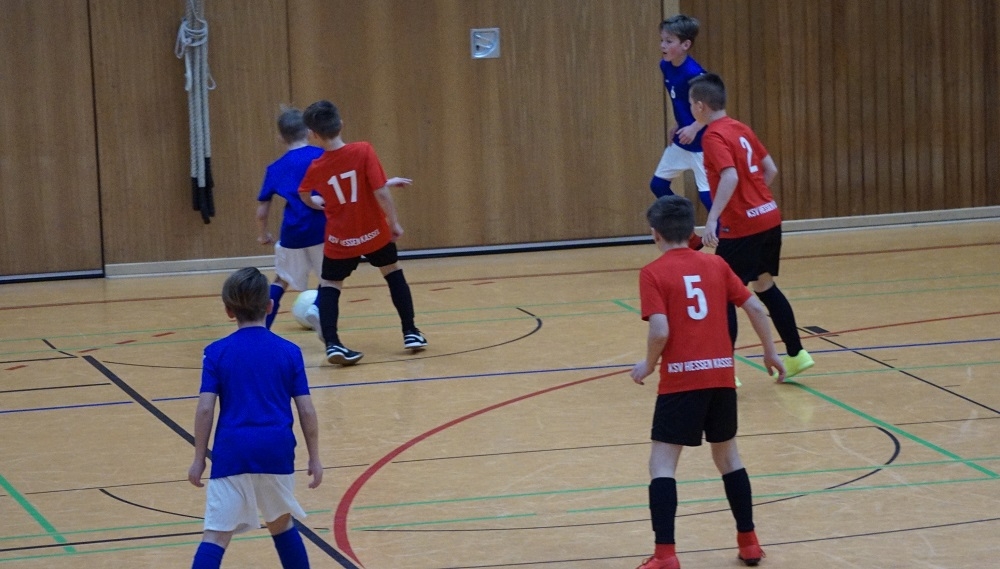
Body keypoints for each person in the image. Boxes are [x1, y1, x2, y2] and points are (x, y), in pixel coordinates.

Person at [630, 195, 786, 569]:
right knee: (728, 457)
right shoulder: (716, 264)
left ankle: (665, 555)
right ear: (692, 232)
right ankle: (749, 542)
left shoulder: (653, 273)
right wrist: (770, 352)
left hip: (681, 382)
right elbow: (755, 307)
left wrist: (648, 364)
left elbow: (660, 329)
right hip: (721, 377)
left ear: (655, 234)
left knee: (662, 464)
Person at [188, 267, 322, 569]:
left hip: (232, 452)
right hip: (276, 450)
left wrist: (198, 458)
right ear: (270, 306)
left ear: (228, 311)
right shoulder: (290, 352)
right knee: (281, 524)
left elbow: (205, 409)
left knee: (216, 535)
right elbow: (306, 409)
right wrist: (314, 457)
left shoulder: (216, 352)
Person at [690, 72, 815, 379]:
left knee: (723, 295)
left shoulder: (713, 136)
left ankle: (725, 371)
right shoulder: (741, 128)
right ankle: (797, 355)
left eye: (692, 104)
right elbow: (769, 169)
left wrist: (713, 218)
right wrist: (754, 199)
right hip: (770, 217)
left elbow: (730, 175)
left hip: (742, 229)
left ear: (701, 106)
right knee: (764, 285)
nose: (691, 109)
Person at [298, 99, 427, 365]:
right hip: (372, 232)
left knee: (330, 285)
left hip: (340, 238)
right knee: (392, 272)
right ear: (341, 124)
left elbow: (304, 193)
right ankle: (410, 332)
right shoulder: (363, 150)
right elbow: (381, 192)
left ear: (313, 135)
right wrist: (394, 223)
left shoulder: (316, 167)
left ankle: (333, 343)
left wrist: (317, 202)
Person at [255, 107, 326, 330]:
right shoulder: (322, 156)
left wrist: (263, 234)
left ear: (280, 138)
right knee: (330, 279)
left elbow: (262, 211)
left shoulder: (275, 168)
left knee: (281, 279)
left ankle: (261, 327)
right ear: (309, 131)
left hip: (293, 232)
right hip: (322, 228)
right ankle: (319, 312)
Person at [649, 15, 712, 218]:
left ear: (686, 45)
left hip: (701, 142)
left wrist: (694, 126)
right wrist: (679, 123)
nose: (663, 45)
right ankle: (686, 231)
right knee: (658, 185)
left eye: (669, 41)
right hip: (682, 139)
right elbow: (682, 100)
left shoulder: (694, 74)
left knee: (707, 197)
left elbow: (710, 108)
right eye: (662, 40)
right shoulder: (665, 66)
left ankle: (725, 233)